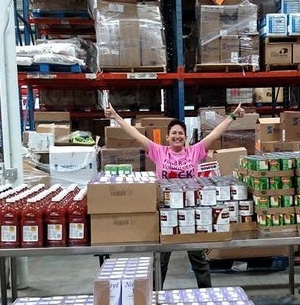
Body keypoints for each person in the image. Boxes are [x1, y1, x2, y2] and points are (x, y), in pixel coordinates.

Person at [104, 102, 245, 288]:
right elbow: (135, 134)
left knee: (199, 260)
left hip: (191, 212)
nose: (177, 136)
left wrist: (233, 116)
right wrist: (115, 116)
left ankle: (207, 293)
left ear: (185, 137)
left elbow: (215, 133)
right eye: (174, 133)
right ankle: (155, 297)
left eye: (180, 133)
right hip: (166, 212)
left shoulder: (194, 151)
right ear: (167, 137)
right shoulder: (158, 152)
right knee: (161, 260)